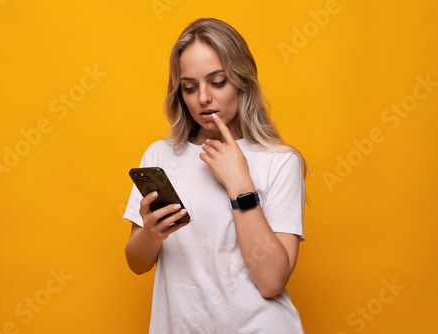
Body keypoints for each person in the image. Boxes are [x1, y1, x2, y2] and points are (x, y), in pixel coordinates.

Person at [124, 18, 308, 333]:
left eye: (218, 81)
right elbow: (137, 264)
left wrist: (240, 186)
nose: (203, 98)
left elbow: (272, 281)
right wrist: (151, 233)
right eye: (190, 87)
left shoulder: (280, 161)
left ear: (242, 81)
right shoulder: (161, 155)